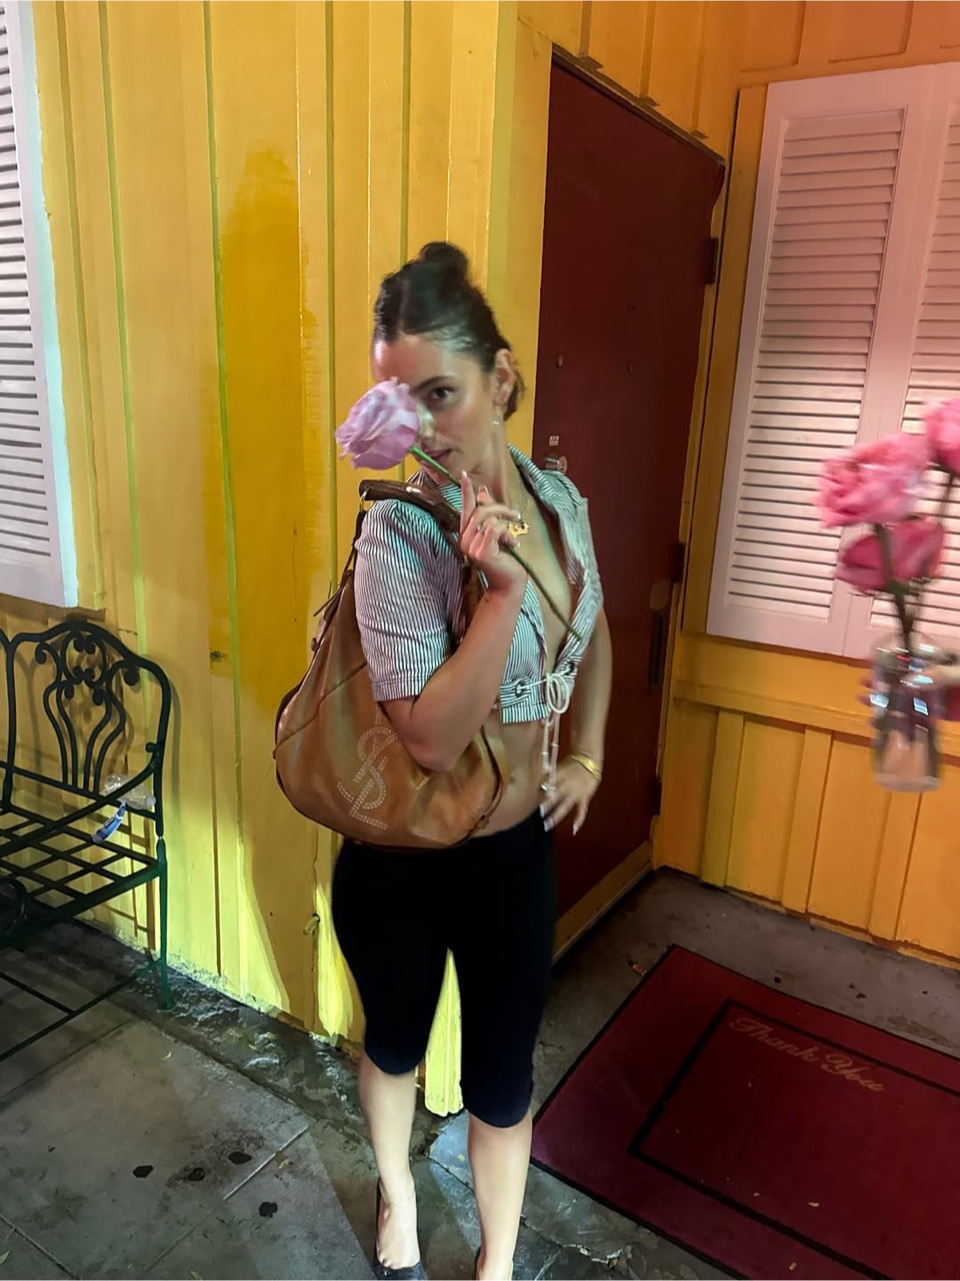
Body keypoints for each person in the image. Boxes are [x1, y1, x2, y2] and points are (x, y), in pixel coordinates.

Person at [331, 242, 612, 1281]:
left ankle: (496, 1263)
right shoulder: (399, 533)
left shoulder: (560, 503)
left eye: (440, 393)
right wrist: (498, 595)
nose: (420, 426)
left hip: (514, 853)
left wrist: (588, 755)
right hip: (404, 856)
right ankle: (399, 1194)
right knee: (395, 1043)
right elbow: (430, 738)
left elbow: (597, 628)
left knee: (502, 1081)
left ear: (500, 378)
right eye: (396, 401)